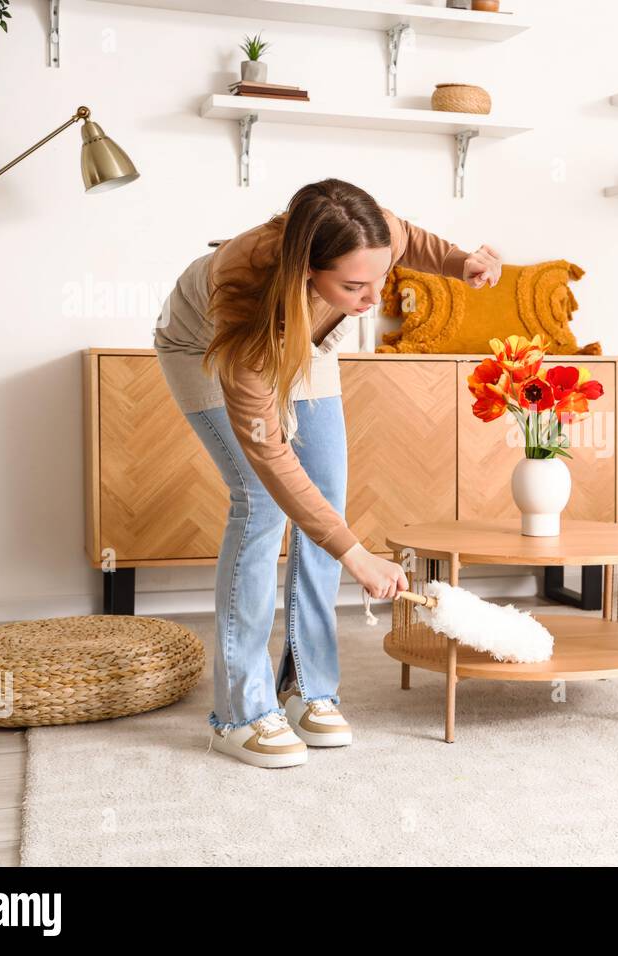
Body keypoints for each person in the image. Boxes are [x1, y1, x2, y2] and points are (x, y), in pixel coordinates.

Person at [153, 178, 502, 768]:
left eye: (380, 278)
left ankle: (307, 687)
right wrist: (357, 556)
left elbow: (408, 238)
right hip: (210, 346)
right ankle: (240, 712)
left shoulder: (365, 228)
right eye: (353, 286)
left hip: (305, 337)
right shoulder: (241, 294)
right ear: (308, 270)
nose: (373, 299)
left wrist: (459, 260)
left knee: (327, 501)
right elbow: (271, 457)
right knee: (261, 502)